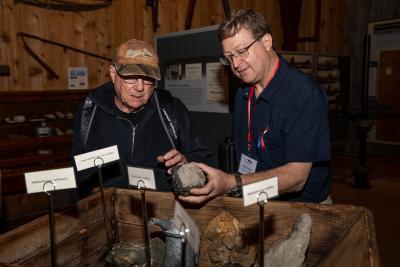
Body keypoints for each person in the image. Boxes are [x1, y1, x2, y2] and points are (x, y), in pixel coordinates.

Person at [179, 9, 332, 204]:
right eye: (229, 57)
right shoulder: (242, 93)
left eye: (242, 51)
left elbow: (297, 178)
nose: (236, 63)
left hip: (302, 208)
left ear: (266, 42)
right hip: (254, 198)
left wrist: (232, 183)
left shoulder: (304, 94)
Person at [71, 39, 211, 199]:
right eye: (131, 77)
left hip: (161, 213)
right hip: (106, 214)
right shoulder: (90, 109)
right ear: (113, 73)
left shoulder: (171, 108)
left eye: (148, 78)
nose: (139, 87)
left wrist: (186, 164)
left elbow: (203, 159)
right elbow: (77, 173)